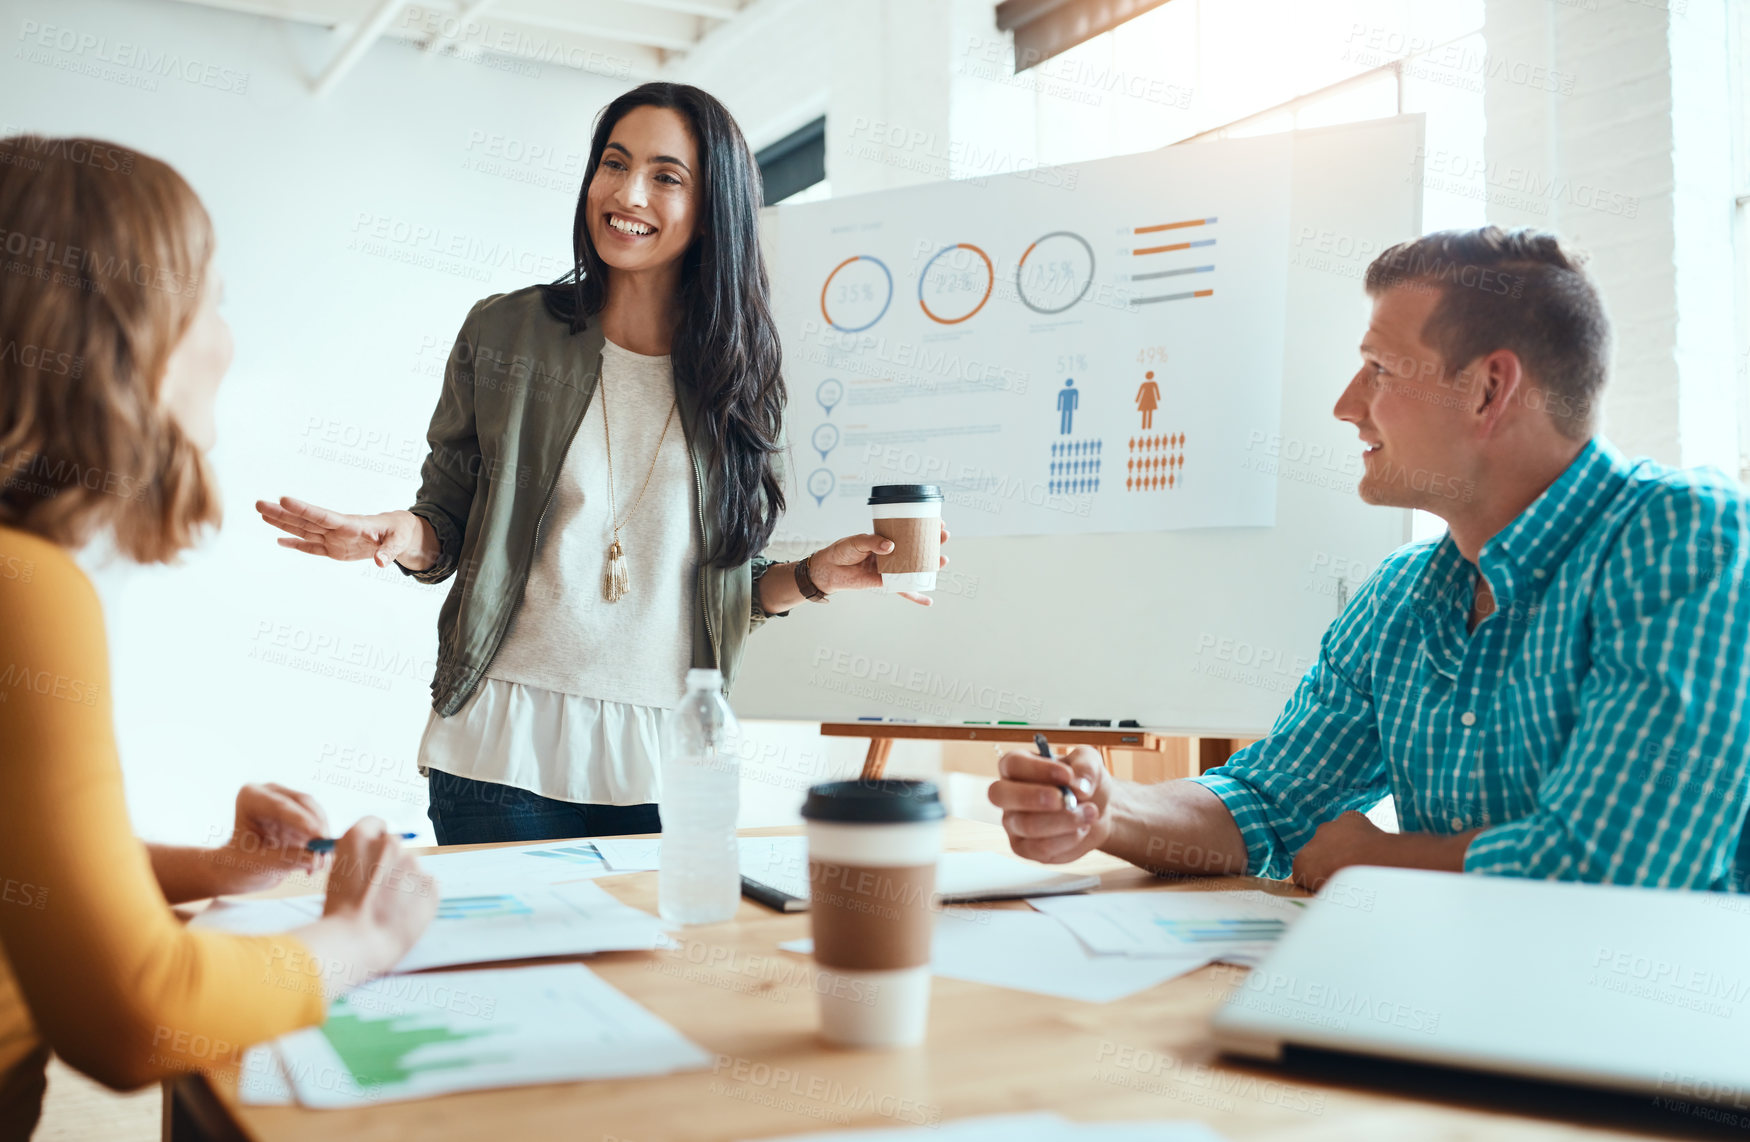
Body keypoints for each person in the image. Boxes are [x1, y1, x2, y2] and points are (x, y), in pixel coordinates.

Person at [256, 83, 949, 845]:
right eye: (613, 165)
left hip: (669, 756)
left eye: (665, 176)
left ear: (713, 205)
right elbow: (447, 522)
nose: (627, 194)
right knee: (508, 967)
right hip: (502, 749)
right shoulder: (507, 332)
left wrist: (815, 575)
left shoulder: (739, 374)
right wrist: (396, 533)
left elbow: (724, 588)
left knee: (655, 966)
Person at [993, 227, 1750, 893]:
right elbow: (1268, 804)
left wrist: (1378, 859)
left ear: (1490, 389)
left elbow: (1616, 868)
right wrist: (1105, 807)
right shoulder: (1404, 594)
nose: (1348, 404)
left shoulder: (1689, 537)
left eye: (1380, 370)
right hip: (1459, 1012)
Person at [0, 135, 437, 1137]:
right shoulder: (25, 588)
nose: (226, 339)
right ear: (115, 331)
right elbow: (133, 1018)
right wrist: (358, 937)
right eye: (208, 300)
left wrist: (214, 869)